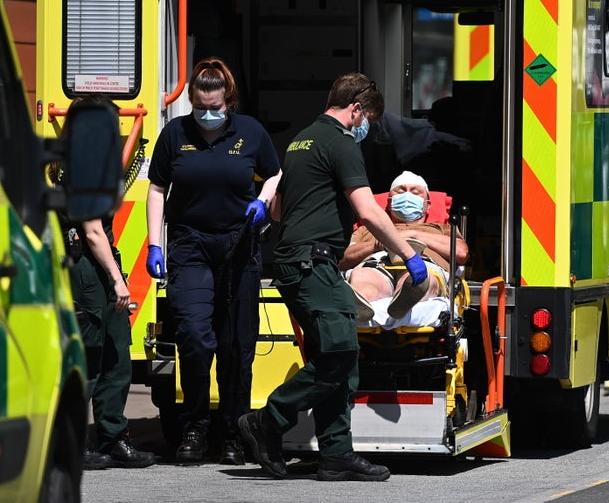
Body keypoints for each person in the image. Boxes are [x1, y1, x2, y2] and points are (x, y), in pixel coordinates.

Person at [237, 72, 429, 482]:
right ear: (356, 109)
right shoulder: (340, 143)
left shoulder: (301, 139)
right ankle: (268, 421)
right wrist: (408, 254)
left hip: (298, 261)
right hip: (312, 264)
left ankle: (336, 455)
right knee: (341, 353)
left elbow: (277, 210)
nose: (366, 130)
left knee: (335, 356)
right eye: (368, 121)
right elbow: (370, 210)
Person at [144, 57, 282, 464]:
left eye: (215, 107)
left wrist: (263, 201)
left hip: (238, 245)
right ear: (191, 100)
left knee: (237, 344)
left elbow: (274, 173)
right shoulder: (175, 133)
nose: (207, 114)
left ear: (229, 101)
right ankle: (194, 427)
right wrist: (155, 244)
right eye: (200, 106)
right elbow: (156, 189)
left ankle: (234, 433)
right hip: (190, 244)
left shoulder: (251, 133)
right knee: (194, 335)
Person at [52, 94, 155, 470]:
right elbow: (93, 231)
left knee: (116, 356)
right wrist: (117, 280)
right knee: (90, 361)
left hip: (101, 270)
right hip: (88, 273)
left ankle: (113, 438)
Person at [339, 170, 468, 326]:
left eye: (415, 192)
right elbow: (342, 260)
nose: (407, 196)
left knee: (419, 278)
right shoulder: (367, 229)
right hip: (377, 263)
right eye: (400, 191)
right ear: (390, 202)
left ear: (428, 206)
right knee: (362, 275)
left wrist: (414, 234)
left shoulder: (442, 229)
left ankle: (406, 297)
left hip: (424, 264)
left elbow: (461, 253)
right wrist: (377, 243)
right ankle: (362, 301)